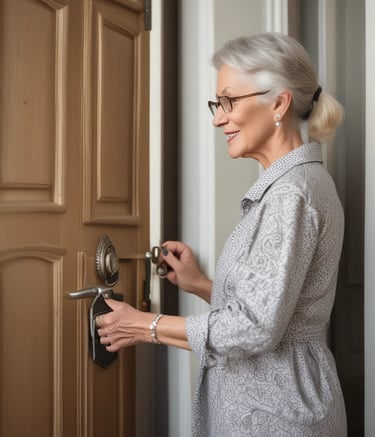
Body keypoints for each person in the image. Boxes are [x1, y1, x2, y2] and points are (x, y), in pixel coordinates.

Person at [96, 32, 347, 436]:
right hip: (278, 404)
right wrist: (199, 285)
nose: (217, 118)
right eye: (219, 104)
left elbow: (256, 327)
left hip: (273, 414)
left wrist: (144, 325)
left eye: (229, 101)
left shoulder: (290, 196)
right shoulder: (300, 185)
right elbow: (276, 308)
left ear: (279, 103)